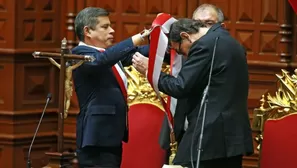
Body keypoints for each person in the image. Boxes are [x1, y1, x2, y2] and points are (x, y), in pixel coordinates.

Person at [132, 18, 254, 168]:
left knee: (181, 164)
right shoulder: (229, 40)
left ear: (185, 36)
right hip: (232, 138)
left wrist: (151, 72)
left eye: (179, 50)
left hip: (210, 136)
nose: (183, 56)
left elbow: (180, 87)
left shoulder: (204, 45)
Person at [71, 7, 151, 168]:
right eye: (105, 27)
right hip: (96, 140)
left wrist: (165, 42)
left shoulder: (106, 54)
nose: (112, 30)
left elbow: (141, 52)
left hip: (111, 137)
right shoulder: (79, 54)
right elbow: (101, 60)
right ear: (87, 31)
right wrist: (138, 37)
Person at [159, 3, 226, 161]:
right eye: (197, 23)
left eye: (208, 23)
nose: (201, 28)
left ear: (221, 27)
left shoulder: (222, 50)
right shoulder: (183, 48)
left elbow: (182, 86)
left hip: (208, 135)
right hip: (182, 130)